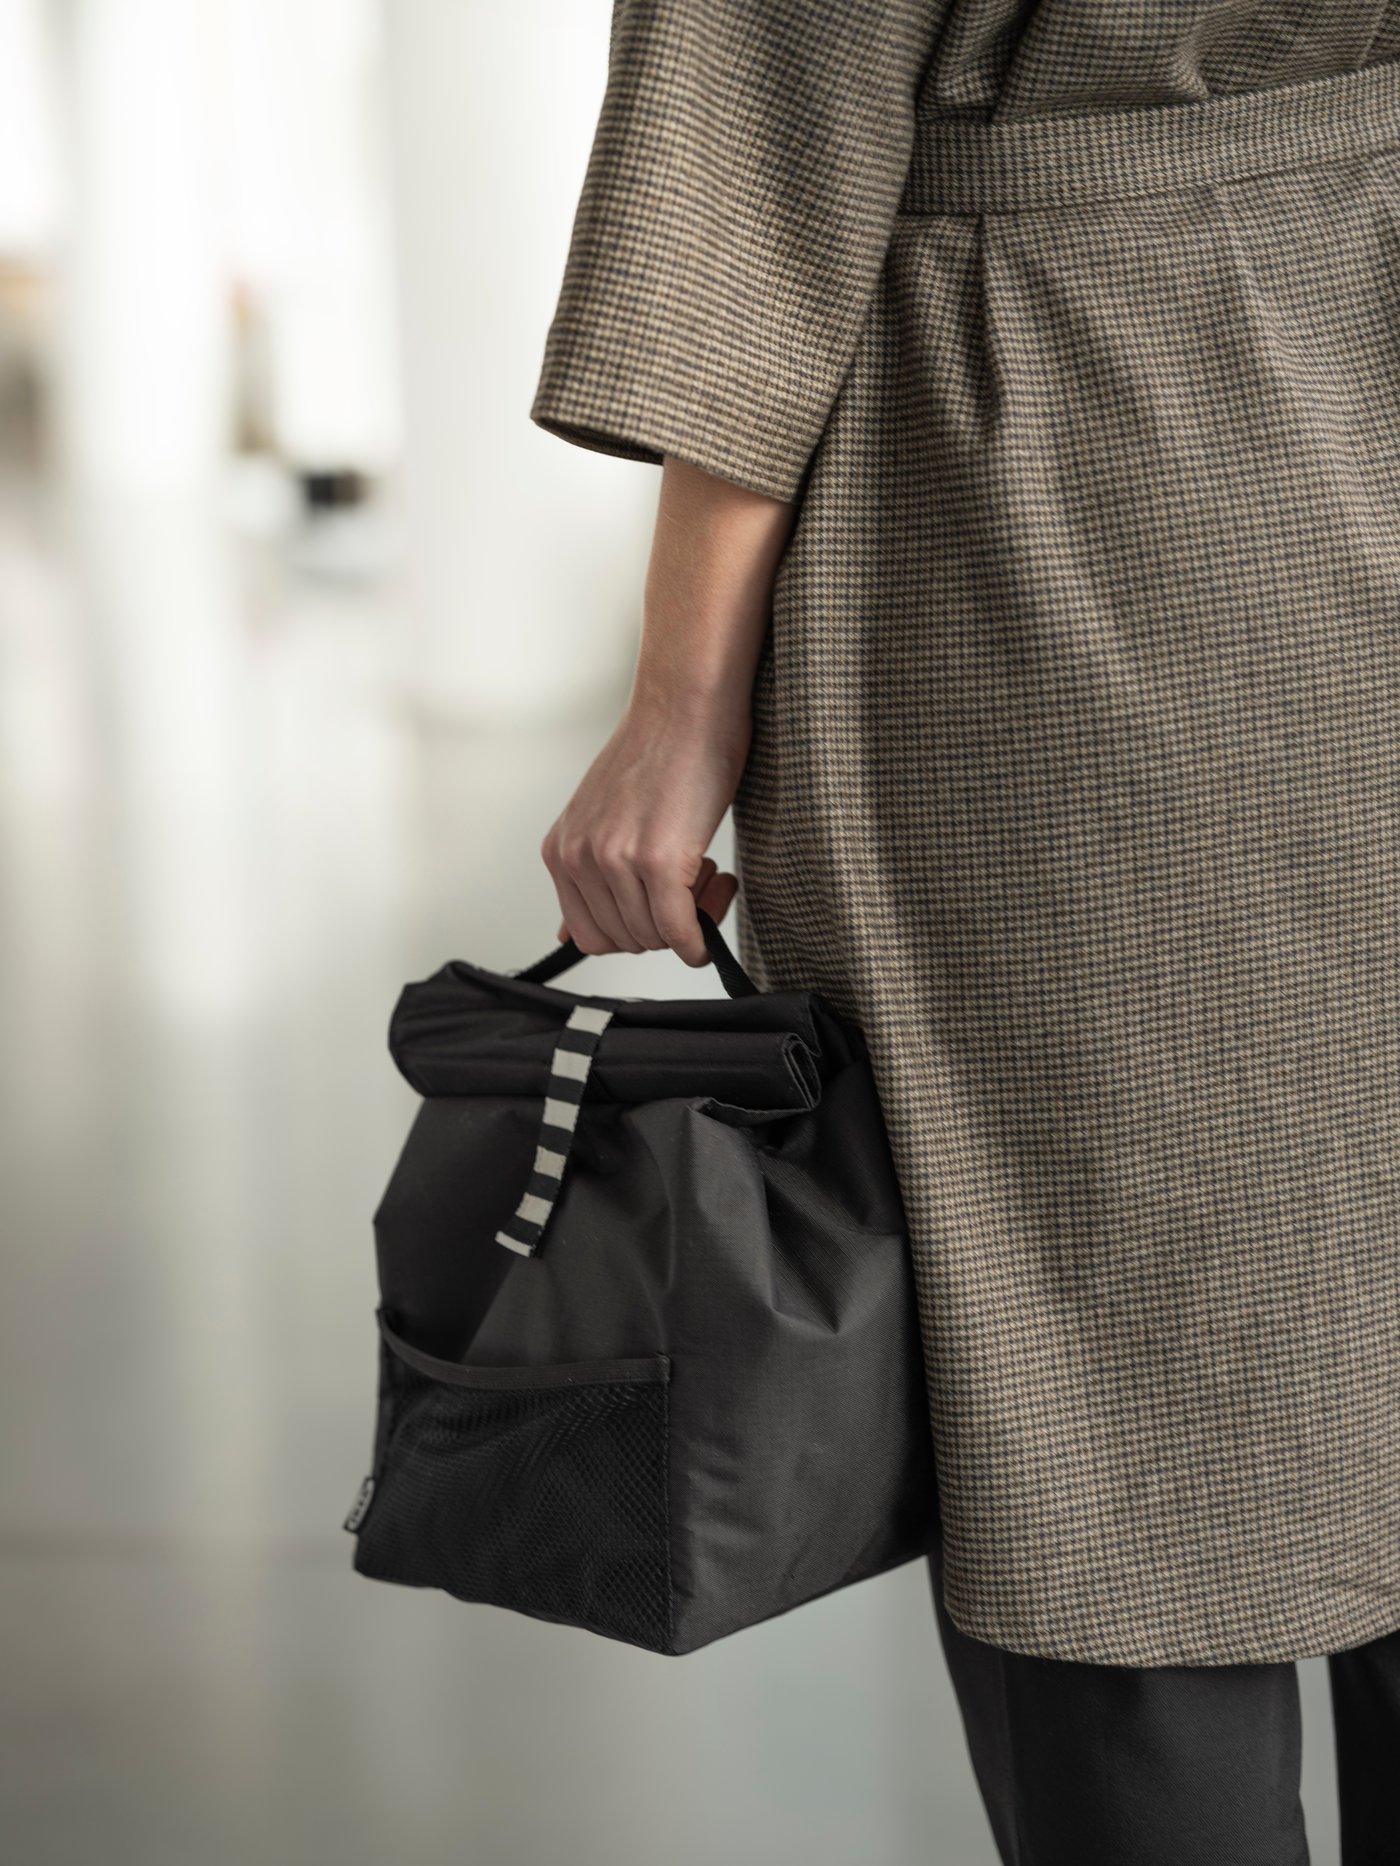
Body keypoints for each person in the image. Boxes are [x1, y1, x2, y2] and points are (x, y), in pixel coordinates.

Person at [527, 4, 1400, 1858]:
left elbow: (761, 149)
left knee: (1100, 1381)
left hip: (1066, 472)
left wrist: (682, 707)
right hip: (1358, 318)